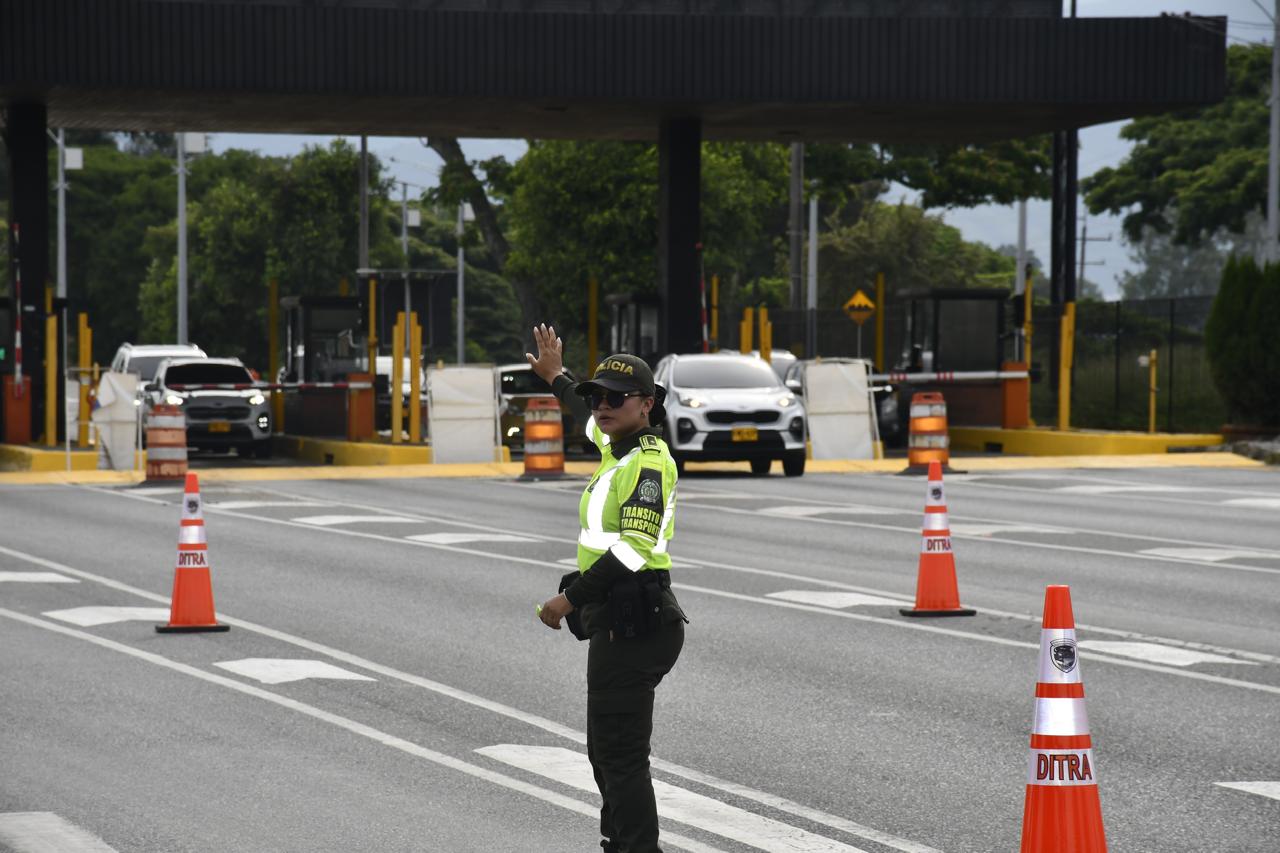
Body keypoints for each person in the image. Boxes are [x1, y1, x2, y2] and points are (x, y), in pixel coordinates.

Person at [529, 324, 687, 853]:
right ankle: (618, 844)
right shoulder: (615, 446)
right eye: (600, 396)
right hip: (617, 622)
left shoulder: (646, 461)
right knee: (605, 752)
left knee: (619, 756)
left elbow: (632, 550)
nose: (602, 405)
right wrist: (557, 375)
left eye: (616, 398)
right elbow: (579, 408)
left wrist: (568, 599)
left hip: (637, 624)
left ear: (646, 405)